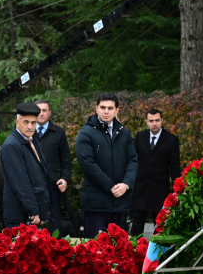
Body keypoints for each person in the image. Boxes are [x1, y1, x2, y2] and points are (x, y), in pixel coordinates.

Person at [75, 92, 138, 238]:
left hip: (120, 202)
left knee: (119, 250)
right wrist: (110, 186)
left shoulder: (124, 132)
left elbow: (133, 160)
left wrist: (126, 184)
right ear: (96, 108)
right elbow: (87, 164)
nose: (106, 111)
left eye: (110, 108)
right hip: (96, 203)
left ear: (117, 110)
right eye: (102, 107)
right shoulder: (86, 133)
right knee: (94, 251)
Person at [131, 109, 181, 236]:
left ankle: (159, 256)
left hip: (160, 190)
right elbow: (133, 162)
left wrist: (178, 191)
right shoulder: (140, 137)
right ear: (146, 122)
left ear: (162, 121)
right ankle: (135, 254)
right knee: (136, 227)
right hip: (140, 189)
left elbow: (175, 168)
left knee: (160, 227)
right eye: (151, 121)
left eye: (157, 120)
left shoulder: (171, 140)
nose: (154, 123)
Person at [1, 103, 51, 228]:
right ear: (17, 122)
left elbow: (40, 177)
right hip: (21, 215)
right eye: (26, 122)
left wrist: (42, 211)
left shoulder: (32, 140)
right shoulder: (11, 145)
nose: (30, 126)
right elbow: (20, 182)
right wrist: (33, 210)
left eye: (33, 123)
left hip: (32, 213)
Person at [34, 100, 72, 236]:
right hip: (32, 188)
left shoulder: (58, 133)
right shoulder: (28, 132)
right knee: (34, 225)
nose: (41, 113)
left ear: (49, 113)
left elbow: (66, 160)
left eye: (45, 110)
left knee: (54, 226)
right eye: (39, 110)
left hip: (54, 187)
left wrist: (65, 179)